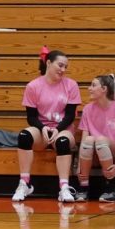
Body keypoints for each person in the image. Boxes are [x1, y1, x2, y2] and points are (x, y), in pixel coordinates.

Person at [12, 48, 81, 203]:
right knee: (24, 136)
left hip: (63, 129)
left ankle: (64, 187)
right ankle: (24, 183)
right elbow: (31, 117)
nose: (63, 70)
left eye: (65, 67)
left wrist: (57, 129)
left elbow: (70, 115)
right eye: (60, 65)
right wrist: (42, 128)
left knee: (62, 142)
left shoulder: (71, 85)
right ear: (48, 63)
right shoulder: (33, 86)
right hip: (41, 130)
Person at [76, 74, 115, 201]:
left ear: (104, 89)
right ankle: (83, 187)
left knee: (100, 140)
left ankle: (110, 186)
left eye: (93, 85)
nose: (89, 88)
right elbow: (84, 140)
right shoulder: (88, 109)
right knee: (89, 140)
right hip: (93, 152)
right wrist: (79, 165)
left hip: (114, 152)